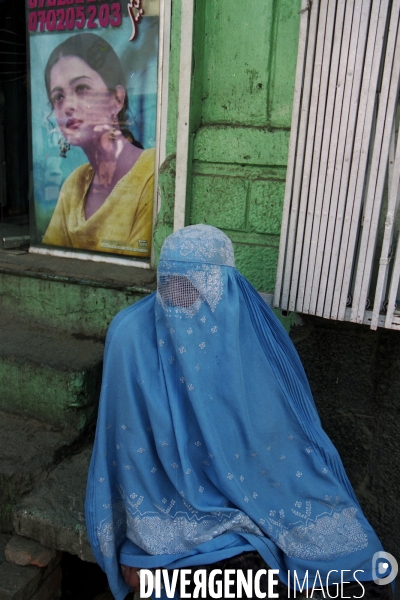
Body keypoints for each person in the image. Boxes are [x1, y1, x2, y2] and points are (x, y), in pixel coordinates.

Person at [85, 224, 393, 599]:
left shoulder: (247, 333)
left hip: (254, 483)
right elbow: (126, 445)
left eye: (191, 288)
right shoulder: (131, 335)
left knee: (336, 545)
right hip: (161, 500)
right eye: (169, 286)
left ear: (222, 284)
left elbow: (278, 435)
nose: (178, 301)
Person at [42, 33, 154, 258]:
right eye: (58, 97)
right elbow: (51, 262)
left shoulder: (151, 174)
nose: (68, 106)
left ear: (117, 99)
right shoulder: (74, 185)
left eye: (81, 88)